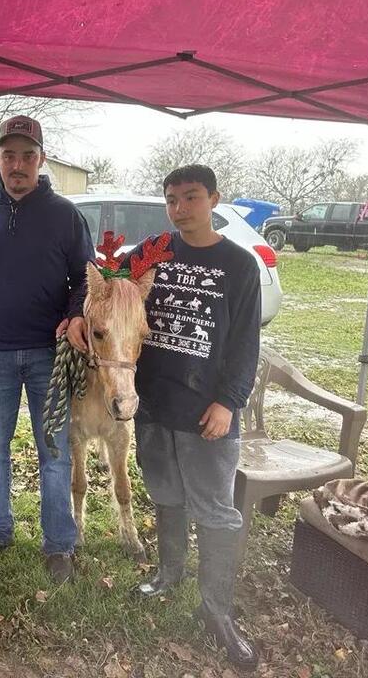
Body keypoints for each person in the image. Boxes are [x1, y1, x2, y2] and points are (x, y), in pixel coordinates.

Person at [123, 165, 261, 669]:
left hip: (206, 410)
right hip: (153, 402)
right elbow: (103, 285)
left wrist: (228, 401)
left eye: (191, 198)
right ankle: (169, 573)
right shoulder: (152, 252)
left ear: (214, 199)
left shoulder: (238, 264)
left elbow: (246, 344)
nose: (180, 208)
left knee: (215, 507)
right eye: (172, 200)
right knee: (165, 492)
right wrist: (78, 313)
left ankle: (217, 608)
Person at [0, 116, 94, 584]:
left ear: (41, 160)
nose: (17, 165)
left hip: (49, 354)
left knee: (54, 451)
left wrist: (77, 312)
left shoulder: (64, 215)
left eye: (27, 156)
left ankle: (59, 544)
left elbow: (86, 276)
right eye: (8, 155)